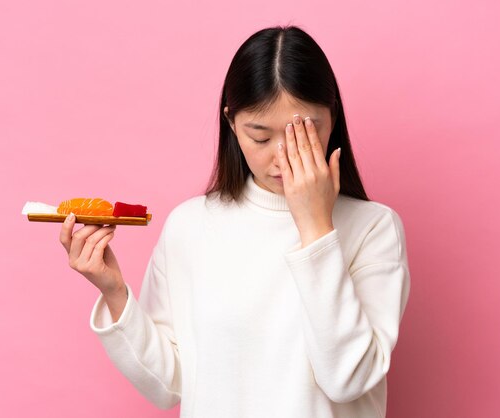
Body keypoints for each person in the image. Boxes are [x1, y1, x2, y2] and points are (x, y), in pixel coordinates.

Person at [59, 25, 411, 418]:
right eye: (260, 138)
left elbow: (348, 378)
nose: (282, 156)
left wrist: (315, 226)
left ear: (333, 118)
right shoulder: (190, 226)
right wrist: (115, 295)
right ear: (231, 123)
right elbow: (169, 384)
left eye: (304, 134)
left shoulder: (375, 229)